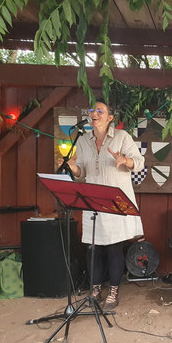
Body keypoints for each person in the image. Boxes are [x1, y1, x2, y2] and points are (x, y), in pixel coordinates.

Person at [62, 98, 144, 310]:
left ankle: (114, 290)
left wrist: (125, 161)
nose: (94, 113)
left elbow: (139, 162)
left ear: (109, 118)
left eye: (99, 110)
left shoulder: (121, 137)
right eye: (92, 110)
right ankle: (96, 289)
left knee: (114, 248)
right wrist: (74, 168)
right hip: (92, 202)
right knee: (93, 248)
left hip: (115, 202)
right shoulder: (82, 140)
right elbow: (81, 174)